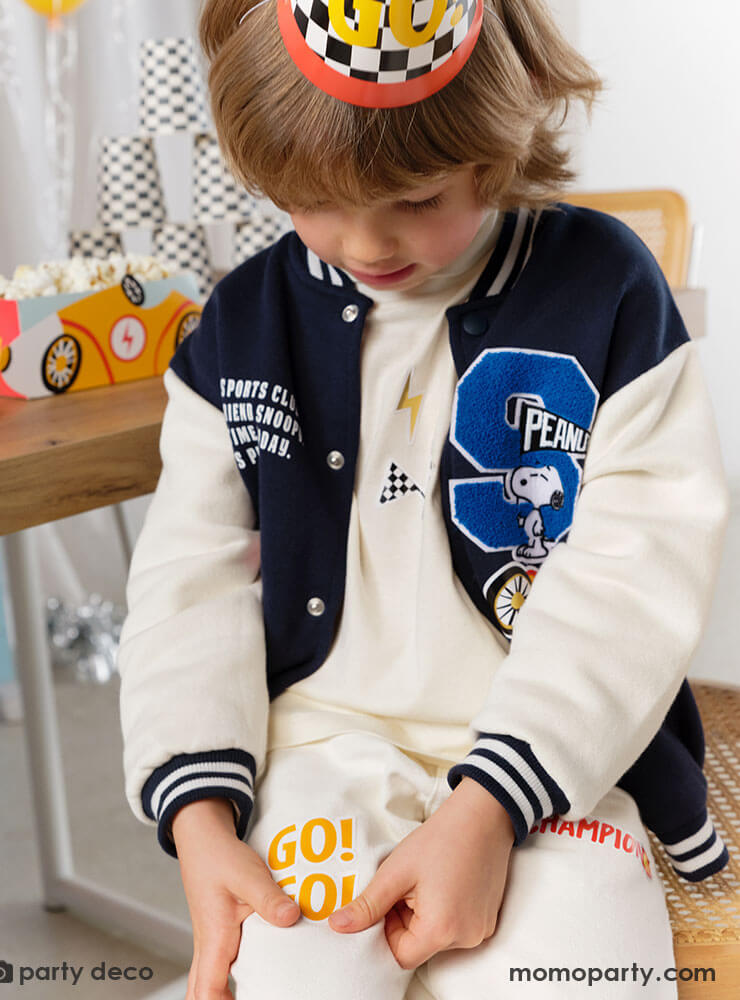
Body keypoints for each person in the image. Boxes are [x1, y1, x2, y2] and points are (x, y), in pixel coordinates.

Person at [118, 1, 730, 997]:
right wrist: (200, 820)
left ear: (493, 147)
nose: (363, 240)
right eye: (311, 199)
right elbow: (187, 586)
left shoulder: (608, 289)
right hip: (316, 750)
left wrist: (486, 808)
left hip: (556, 763)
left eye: (417, 196)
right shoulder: (235, 333)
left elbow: (637, 571)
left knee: (579, 976)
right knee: (288, 975)